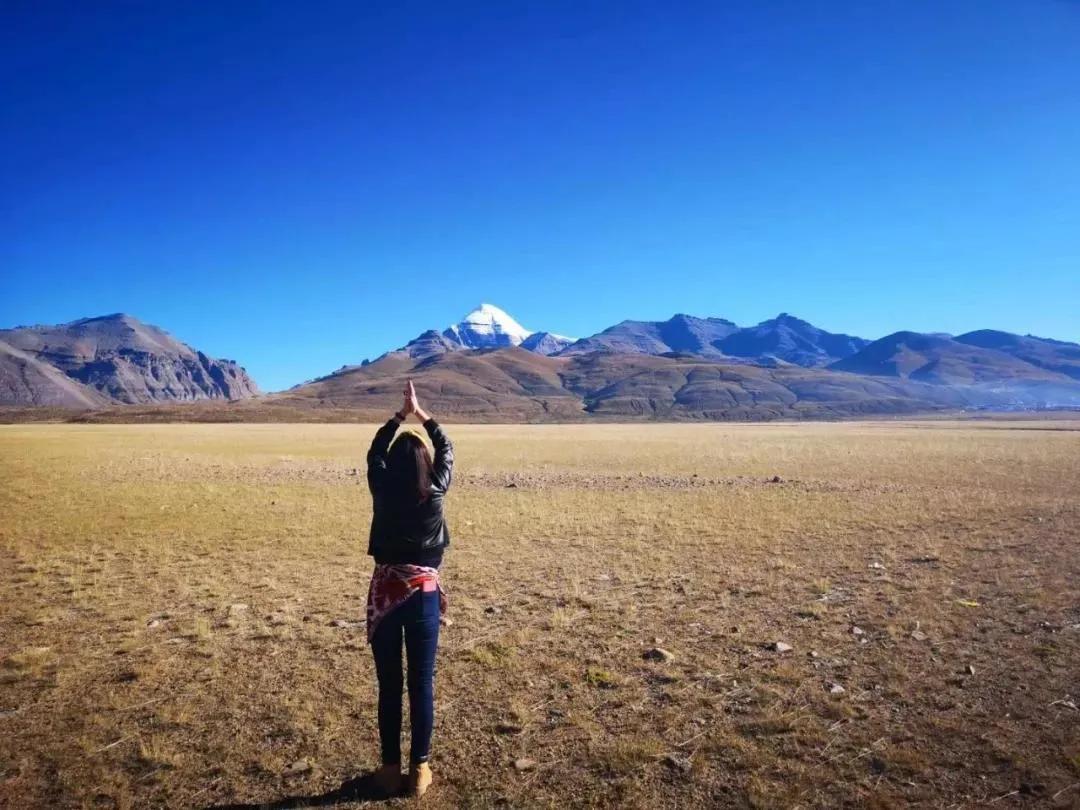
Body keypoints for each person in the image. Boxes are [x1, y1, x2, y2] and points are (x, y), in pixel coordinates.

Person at [365, 379, 453, 798]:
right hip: (424, 596)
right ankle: (419, 771)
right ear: (426, 464)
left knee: (389, 684)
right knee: (421, 683)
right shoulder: (436, 490)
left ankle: (387, 770)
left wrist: (399, 417)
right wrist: (423, 416)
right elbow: (448, 451)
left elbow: (374, 453)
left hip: (386, 594)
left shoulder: (381, 487)